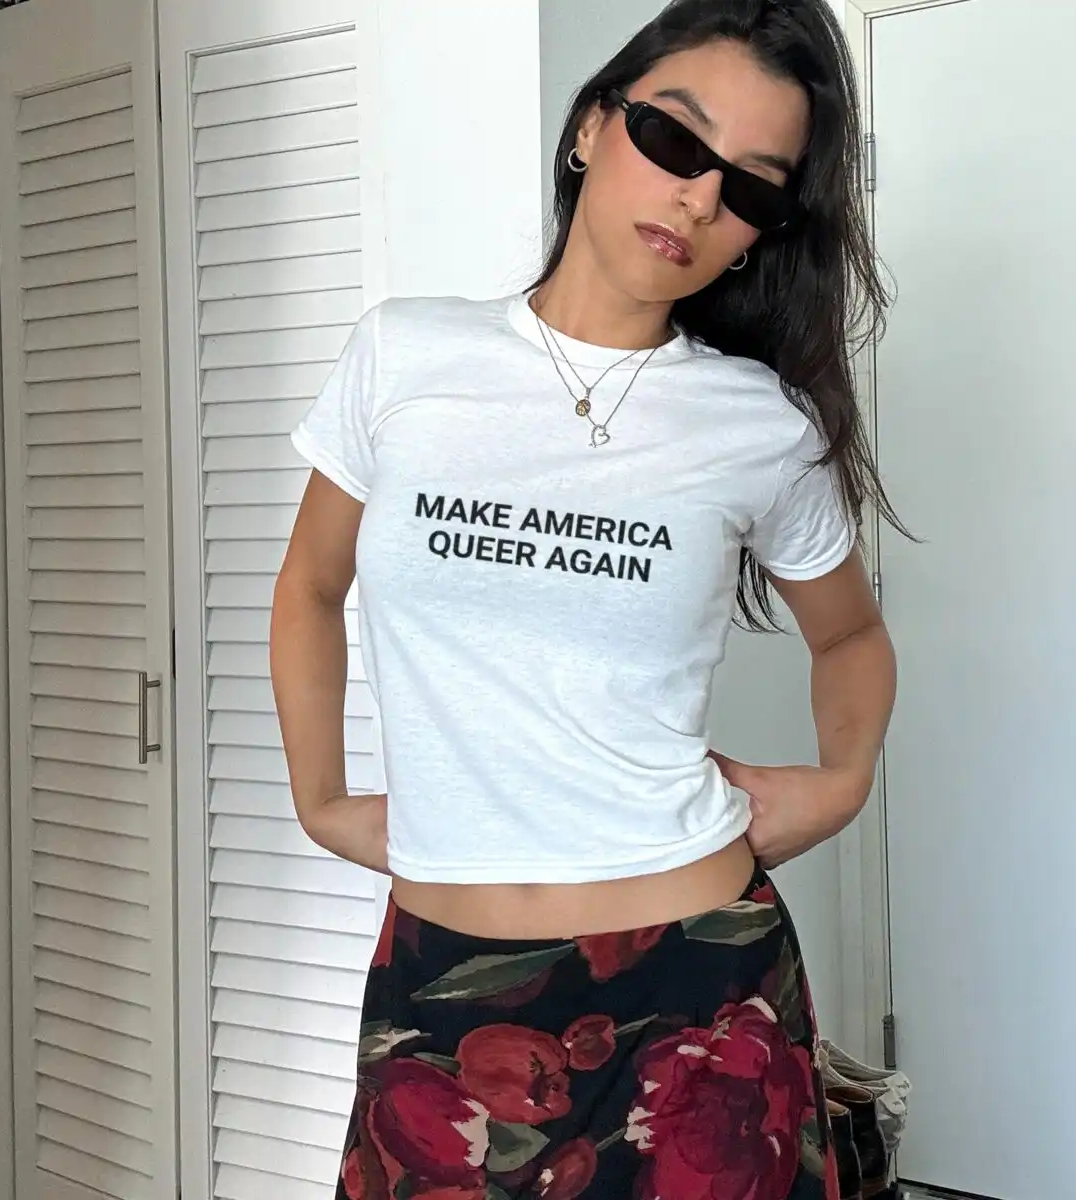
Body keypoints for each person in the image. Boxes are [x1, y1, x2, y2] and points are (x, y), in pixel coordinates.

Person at [271, 1, 900, 1196]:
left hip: (698, 984)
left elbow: (853, 634)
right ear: (591, 129)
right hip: (442, 980)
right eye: (674, 140)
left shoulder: (758, 427)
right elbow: (308, 585)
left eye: (749, 187)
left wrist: (843, 781)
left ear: (759, 233)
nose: (698, 197)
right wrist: (319, 799)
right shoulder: (405, 358)